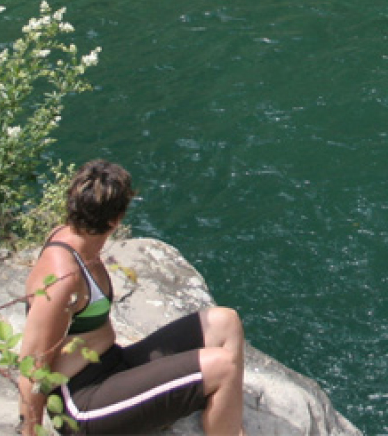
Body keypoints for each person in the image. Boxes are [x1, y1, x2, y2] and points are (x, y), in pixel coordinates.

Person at [18, 160, 247, 436]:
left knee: (225, 321)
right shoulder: (63, 279)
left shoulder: (77, 240)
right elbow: (33, 363)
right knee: (222, 366)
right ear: (116, 220)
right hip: (81, 405)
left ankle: (226, 419)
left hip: (113, 364)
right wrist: (29, 431)